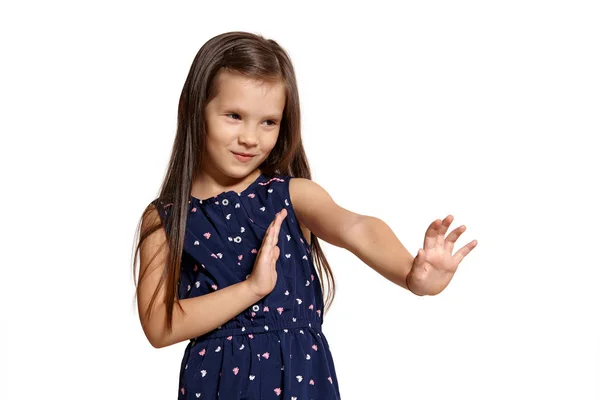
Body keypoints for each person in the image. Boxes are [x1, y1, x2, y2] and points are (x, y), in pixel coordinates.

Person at [133, 31, 477, 400]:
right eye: (234, 116)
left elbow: (357, 227)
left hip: (299, 383)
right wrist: (251, 289)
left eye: (268, 122)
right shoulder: (166, 219)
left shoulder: (291, 196)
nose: (251, 137)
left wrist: (411, 274)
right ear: (192, 107)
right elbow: (158, 326)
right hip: (215, 386)